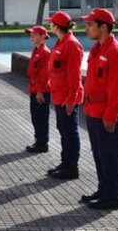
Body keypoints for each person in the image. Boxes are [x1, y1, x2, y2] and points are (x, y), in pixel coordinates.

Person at [80, 8, 118, 210]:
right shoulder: (98, 49)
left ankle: (113, 197)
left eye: (90, 24)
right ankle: (104, 189)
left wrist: (110, 116)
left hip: (106, 114)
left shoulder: (115, 52)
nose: (86, 28)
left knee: (110, 155)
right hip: (93, 111)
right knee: (99, 154)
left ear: (103, 27)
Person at [46, 10, 83, 180]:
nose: (49, 25)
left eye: (51, 23)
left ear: (57, 26)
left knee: (69, 132)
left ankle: (71, 167)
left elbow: (75, 75)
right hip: (59, 95)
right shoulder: (61, 42)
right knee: (63, 130)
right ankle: (65, 162)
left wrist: (71, 99)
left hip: (67, 97)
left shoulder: (71, 45)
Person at [25, 25, 51, 153]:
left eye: (34, 34)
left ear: (42, 36)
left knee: (41, 118)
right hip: (35, 89)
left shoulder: (44, 52)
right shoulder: (36, 50)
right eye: (31, 34)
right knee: (35, 117)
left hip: (41, 91)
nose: (32, 37)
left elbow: (45, 73)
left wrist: (40, 90)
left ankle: (42, 143)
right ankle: (38, 140)